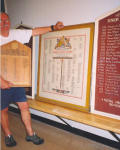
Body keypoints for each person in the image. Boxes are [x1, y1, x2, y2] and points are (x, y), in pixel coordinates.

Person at [0, 12, 64, 147]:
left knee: (24, 106)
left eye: (6, 21)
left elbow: (35, 32)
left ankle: (30, 134)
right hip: (1, 83)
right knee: (3, 110)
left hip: (17, 80)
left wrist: (53, 27)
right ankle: (8, 136)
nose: (4, 24)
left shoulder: (15, 34)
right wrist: (1, 81)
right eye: (1, 21)